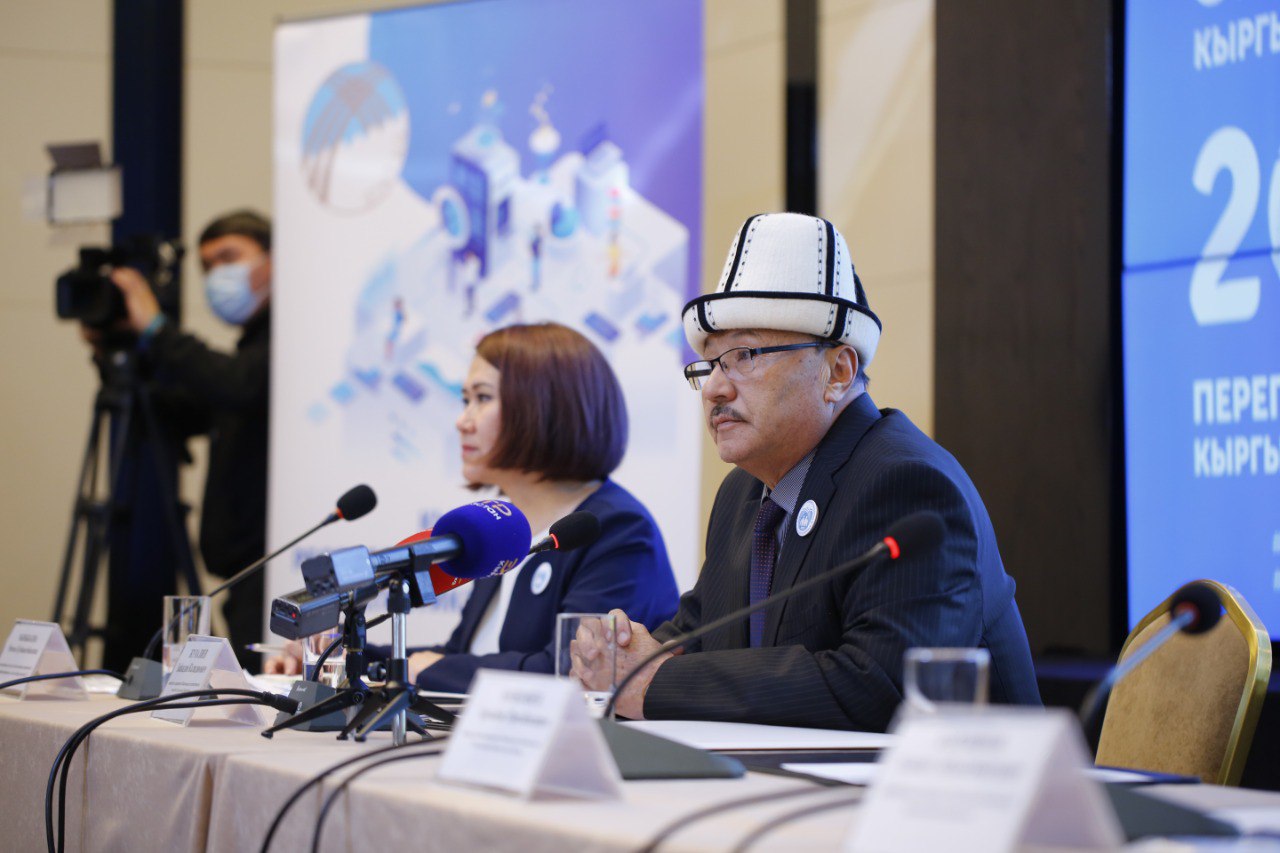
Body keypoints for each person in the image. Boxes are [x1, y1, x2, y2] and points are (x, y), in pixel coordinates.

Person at [572, 212, 1041, 730]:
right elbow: (698, 635)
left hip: (958, 781)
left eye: (745, 355)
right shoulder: (743, 494)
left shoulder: (907, 485)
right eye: (709, 364)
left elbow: (881, 688)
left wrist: (656, 682)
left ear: (837, 372)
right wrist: (622, 656)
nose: (715, 389)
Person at [269, 322, 681, 693]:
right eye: (465, 399)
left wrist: (429, 671)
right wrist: (342, 654)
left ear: (545, 407)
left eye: (482, 399)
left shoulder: (616, 528)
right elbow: (460, 655)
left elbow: (572, 669)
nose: (462, 421)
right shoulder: (499, 525)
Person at [103, 209, 272, 671]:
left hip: (274, 563)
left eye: (229, 258)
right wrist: (114, 358)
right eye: (207, 265)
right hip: (243, 569)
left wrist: (158, 330)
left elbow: (237, 385)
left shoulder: (286, 344)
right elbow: (182, 410)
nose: (217, 275)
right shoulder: (248, 348)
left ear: (274, 260)